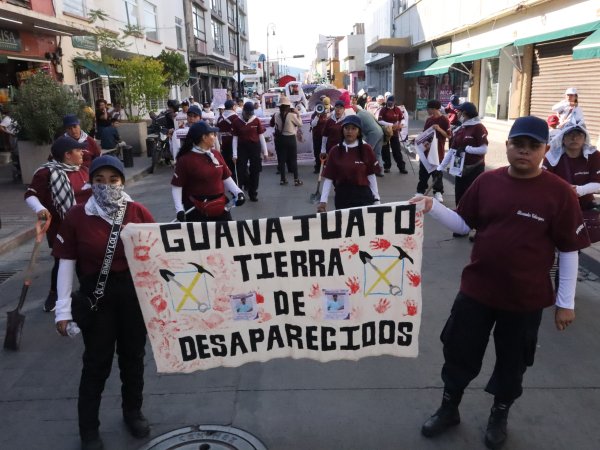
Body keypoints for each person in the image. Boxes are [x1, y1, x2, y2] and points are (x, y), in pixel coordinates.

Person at [414, 116, 590, 450]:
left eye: (532, 147)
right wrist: (431, 206)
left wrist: (565, 303)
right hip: (477, 290)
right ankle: (449, 407)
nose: (524, 152)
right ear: (507, 146)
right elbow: (464, 224)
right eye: (517, 145)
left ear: (544, 150)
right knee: (458, 351)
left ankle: (500, 413)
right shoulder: (487, 182)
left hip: (525, 299)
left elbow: (569, 251)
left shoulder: (559, 194)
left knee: (513, 362)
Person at [53, 155, 154, 450]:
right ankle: (89, 430)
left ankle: (133, 412)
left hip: (132, 293)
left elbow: (160, 251)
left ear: (122, 181)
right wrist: (62, 310)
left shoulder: (136, 211)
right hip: (96, 294)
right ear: (91, 182)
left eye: (113, 180)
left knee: (133, 357)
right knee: (96, 363)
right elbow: (66, 262)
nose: (106, 185)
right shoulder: (77, 215)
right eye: (99, 180)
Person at [24, 136, 91, 312]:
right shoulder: (46, 173)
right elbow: (30, 195)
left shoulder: (84, 170)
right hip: (61, 228)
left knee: (85, 261)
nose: (82, 152)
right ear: (67, 155)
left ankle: (88, 294)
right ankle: (55, 294)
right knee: (62, 261)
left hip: (85, 225)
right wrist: (39, 208)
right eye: (78, 150)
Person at [172, 121, 245, 222]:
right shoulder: (185, 160)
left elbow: (225, 177)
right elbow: (177, 186)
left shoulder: (216, 154)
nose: (215, 137)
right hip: (197, 210)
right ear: (204, 138)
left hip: (220, 207)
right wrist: (179, 209)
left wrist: (238, 192)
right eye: (212, 134)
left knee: (226, 235)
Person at [542, 122, 600, 240]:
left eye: (579, 134)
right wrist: (565, 191)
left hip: (583, 207)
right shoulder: (551, 156)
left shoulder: (594, 155)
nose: (574, 138)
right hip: (557, 206)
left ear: (585, 138)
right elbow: (543, 182)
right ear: (562, 138)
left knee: (576, 241)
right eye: (570, 134)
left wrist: (579, 190)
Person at [317, 115, 382, 212]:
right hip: (342, 197)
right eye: (346, 128)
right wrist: (323, 202)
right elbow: (329, 178)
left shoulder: (366, 149)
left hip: (363, 197)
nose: (349, 131)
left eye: (353, 128)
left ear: (359, 131)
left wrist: (376, 199)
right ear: (342, 130)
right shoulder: (335, 151)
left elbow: (371, 175)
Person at [438, 102, 488, 209]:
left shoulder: (479, 127)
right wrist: (441, 167)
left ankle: (470, 221)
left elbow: (484, 149)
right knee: (459, 195)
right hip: (459, 167)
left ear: (465, 113)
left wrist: (467, 149)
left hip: (474, 169)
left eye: (459, 111)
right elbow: (452, 150)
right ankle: (459, 217)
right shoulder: (461, 128)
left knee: (471, 197)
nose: (457, 114)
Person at [417, 100, 450, 202]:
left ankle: (438, 192)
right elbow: (425, 133)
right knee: (423, 172)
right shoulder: (428, 120)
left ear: (434, 109)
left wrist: (439, 129)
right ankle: (420, 191)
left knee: (437, 173)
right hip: (426, 150)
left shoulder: (444, 120)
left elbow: (449, 135)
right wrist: (418, 139)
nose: (427, 110)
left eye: (428, 109)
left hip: (438, 151)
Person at [270, 97, 303, 187]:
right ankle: (296, 180)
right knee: (293, 159)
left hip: (281, 139)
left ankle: (282, 179)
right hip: (290, 138)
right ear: (288, 106)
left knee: (282, 160)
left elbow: (271, 124)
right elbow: (300, 124)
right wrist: (298, 114)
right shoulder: (291, 115)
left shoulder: (275, 115)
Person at [377, 95, 408, 174]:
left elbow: (402, 119)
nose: (390, 104)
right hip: (385, 133)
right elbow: (380, 121)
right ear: (386, 102)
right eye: (389, 102)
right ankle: (387, 166)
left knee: (397, 150)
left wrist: (401, 124)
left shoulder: (397, 109)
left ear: (394, 102)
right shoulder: (383, 110)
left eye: (392, 102)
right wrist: (391, 125)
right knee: (385, 150)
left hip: (395, 133)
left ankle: (401, 167)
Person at [355, 105, 385, 176]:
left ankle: (365, 169)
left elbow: (359, 130)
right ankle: (380, 170)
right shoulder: (366, 112)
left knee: (367, 151)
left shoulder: (358, 116)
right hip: (380, 131)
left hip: (373, 134)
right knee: (377, 152)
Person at [216, 99, 239, 176]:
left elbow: (218, 133)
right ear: (233, 107)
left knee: (227, 165)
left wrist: (219, 144)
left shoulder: (220, 118)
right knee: (236, 165)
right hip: (234, 143)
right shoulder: (236, 117)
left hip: (223, 144)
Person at [310, 97, 330, 174]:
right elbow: (313, 124)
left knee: (325, 152)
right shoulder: (314, 115)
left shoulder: (326, 114)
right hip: (317, 137)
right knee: (317, 152)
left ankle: (325, 167)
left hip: (325, 136)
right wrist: (317, 116)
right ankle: (318, 167)